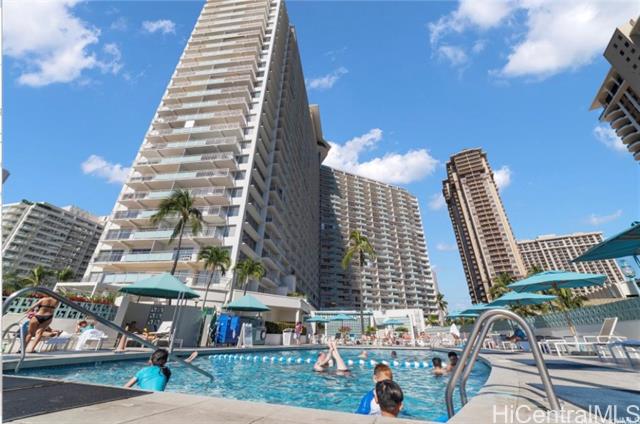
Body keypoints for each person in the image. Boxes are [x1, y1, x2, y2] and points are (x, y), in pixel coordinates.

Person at [125, 349, 198, 391]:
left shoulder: (142, 371)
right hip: (158, 399)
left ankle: (187, 360)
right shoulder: (166, 371)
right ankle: (187, 360)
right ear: (165, 361)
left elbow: (125, 387)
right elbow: (169, 365)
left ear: (151, 359)